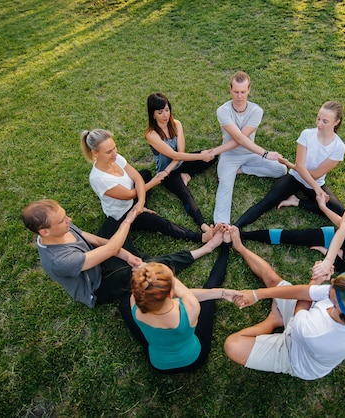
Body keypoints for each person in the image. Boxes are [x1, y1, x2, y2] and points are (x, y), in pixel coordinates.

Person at [223, 226, 345, 380]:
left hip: (293, 355)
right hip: (303, 321)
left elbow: (302, 306)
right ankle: (240, 247)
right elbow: (305, 292)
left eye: (334, 286)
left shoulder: (317, 332)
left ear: (338, 306)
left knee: (232, 345)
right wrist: (257, 294)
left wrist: (315, 280)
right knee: (274, 280)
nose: (332, 281)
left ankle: (274, 320)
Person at [21, 199, 221, 308]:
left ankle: (142, 243)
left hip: (99, 258)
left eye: (66, 216)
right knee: (148, 267)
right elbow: (109, 249)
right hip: (99, 286)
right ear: (44, 232)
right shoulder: (58, 261)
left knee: (114, 221)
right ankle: (204, 249)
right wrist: (128, 222)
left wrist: (125, 254)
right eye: (63, 220)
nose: (70, 220)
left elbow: (96, 241)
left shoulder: (62, 227)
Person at [240, 161, 345, 274]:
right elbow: (344, 228)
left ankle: (335, 256)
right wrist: (323, 208)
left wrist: (328, 258)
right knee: (293, 236)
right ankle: (242, 235)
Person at [119, 225, 240, 373]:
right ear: (171, 293)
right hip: (193, 359)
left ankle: (215, 249)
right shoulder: (190, 308)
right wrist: (222, 292)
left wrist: (147, 274)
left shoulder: (134, 303)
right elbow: (190, 293)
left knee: (123, 305)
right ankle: (226, 248)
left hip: (159, 365)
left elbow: (173, 292)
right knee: (210, 288)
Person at [80, 129, 213, 244]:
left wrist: (141, 203)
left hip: (135, 197)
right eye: (109, 151)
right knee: (160, 223)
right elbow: (130, 195)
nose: (115, 153)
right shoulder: (99, 179)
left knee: (144, 174)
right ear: (95, 153)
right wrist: (150, 188)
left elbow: (137, 178)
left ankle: (142, 204)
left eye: (114, 147)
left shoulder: (116, 158)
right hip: (124, 212)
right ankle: (199, 237)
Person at [233, 101, 345, 229]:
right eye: (318, 118)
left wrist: (290, 165)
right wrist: (317, 189)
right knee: (267, 202)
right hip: (295, 178)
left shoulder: (338, 147)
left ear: (336, 122)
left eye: (325, 121)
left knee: (340, 212)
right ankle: (235, 227)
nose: (319, 124)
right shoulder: (307, 134)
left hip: (315, 182)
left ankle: (297, 202)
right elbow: (300, 166)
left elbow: (314, 175)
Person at [209, 71, 287, 225]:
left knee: (281, 170)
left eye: (243, 92)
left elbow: (242, 139)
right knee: (225, 186)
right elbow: (237, 139)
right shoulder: (223, 111)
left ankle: (242, 170)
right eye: (236, 92)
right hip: (229, 155)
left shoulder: (256, 110)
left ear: (249, 90)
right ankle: (221, 224)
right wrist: (265, 153)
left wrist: (264, 155)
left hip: (251, 153)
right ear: (230, 89)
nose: (239, 96)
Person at [145, 92, 216, 233]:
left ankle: (187, 175)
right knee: (185, 195)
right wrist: (168, 170)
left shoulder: (176, 124)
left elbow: (181, 152)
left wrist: (203, 156)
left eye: (167, 110)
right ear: (153, 115)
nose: (165, 115)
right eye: (160, 112)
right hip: (166, 174)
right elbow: (173, 154)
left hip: (179, 163)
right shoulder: (151, 135)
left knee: (212, 155)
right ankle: (204, 226)